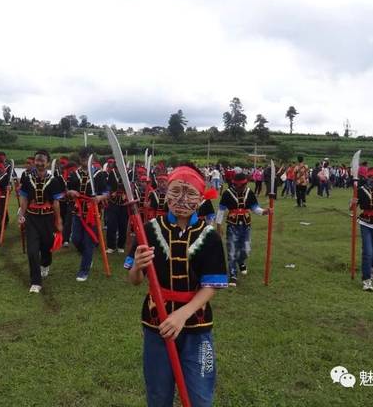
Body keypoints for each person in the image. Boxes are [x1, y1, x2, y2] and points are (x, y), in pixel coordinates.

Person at [126, 164, 228, 407]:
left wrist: (182, 315)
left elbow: (211, 286)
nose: (182, 199)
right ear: (166, 193)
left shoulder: (209, 236)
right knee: (158, 395)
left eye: (190, 193)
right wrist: (137, 266)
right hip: (156, 323)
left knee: (200, 397)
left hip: (197, 326)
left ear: (201, 198)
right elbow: (135, 280)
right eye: (176, 191)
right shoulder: (149, 230)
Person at [19, 150, 63, 293]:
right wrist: (22, 213)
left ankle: (46, 264)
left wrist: (58, 221)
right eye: (37, 160)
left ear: (48, 163)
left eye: (42, 161)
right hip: (31, 218)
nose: (39, 163)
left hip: (47, 219)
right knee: (32, 251)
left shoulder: (54, 181)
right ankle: (36, 282)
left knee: (46, 246)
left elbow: (56, 203)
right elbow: (24, 198)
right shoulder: (26, 179)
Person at [216, 172, 269, 287]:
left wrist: (264, 211)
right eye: (240, 185)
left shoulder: (249, 192)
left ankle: (241, 261)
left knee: (246, 249)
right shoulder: (227, 194)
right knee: (232, 250)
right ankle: (233, 275)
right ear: (235, 185)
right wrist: (219, 226)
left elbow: (254, 207)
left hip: (246, 225)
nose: (242, 187)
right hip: (232, 225)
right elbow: (221, 210)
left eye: (244, 185)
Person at [66, 148, 109, 281]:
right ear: (79, 158)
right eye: (82, 157)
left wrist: (99, 198)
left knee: (88, 241)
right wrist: (71, 192)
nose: (84, 159)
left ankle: (84, 270)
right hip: (78, 211)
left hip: (93, 212)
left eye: (87, 157)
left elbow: (106, 192)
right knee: (76, 239)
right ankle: (86, 254)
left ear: (92, 158)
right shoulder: (74, 174)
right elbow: (67, 190)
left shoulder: (99, 174)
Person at [106, 157, 129, 254]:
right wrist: (111, 192)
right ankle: (111, 246)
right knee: (111, 224)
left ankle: (120, 245)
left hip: (124, 203)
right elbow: (108, 186)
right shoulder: (112, 173)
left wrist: (126, 194)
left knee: (123, 225)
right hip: (113, 202)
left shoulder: (128, 173)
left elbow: (131, 186)